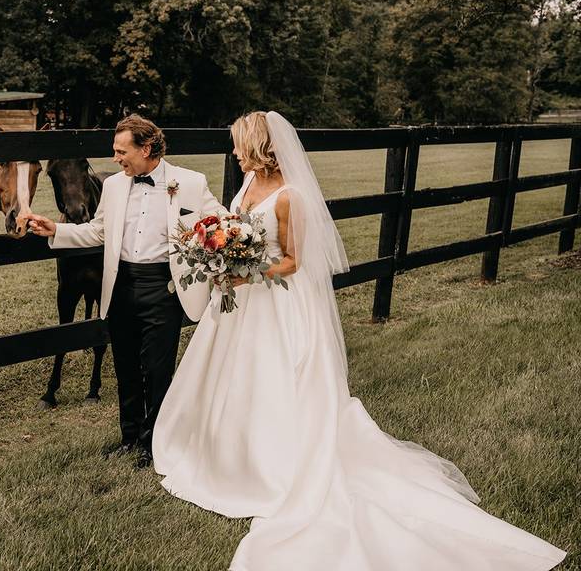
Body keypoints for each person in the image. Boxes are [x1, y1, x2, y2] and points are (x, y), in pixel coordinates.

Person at [152, 111, 567, 570]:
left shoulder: (291, 198)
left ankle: (270, 467)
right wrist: (221, 253)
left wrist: (247, 270)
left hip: (275, 302)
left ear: (257, 145)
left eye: (237, 143)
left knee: (275, 380)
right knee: (231, 377)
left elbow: (292, 262)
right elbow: (234, 226)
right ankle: (223, 455)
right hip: (241, 302)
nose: (233, 151)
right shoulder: (248, 181)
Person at [26, 114, 225, 468]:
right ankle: (130, 436)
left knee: (157, 369)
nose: (116, 158)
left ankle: (155, 443)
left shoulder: (190, 183)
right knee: (126, 367)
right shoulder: (115, 186)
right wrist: (55, 229)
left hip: (163, 289)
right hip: (120, 287)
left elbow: (222, 225)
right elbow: (98, 231)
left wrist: (234, 251)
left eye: (122, 151)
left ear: (146, 148)